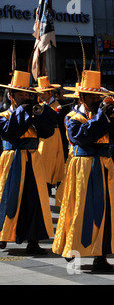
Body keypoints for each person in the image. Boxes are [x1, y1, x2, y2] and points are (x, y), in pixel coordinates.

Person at [52, 70, 114, 272]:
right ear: (82, 97)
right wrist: (102, 117)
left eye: (99, 96)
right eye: (93, 96)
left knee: (105, 211)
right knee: (79, 210)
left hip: (104, 166)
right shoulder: (72, 117)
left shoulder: (104, 115)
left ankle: (100, 256)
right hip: (82, 168)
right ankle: (73, 247)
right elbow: (82, 137)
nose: (97, 100)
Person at [0, 70, 58, 254]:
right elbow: (11, 132)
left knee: (35, 200)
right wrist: (23, 110)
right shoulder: (4, 116)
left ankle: (34, 239)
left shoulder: (32, 113)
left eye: (27, 94)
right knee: (7, 198)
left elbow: (48, 132)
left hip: (33, 160)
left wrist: (39, 114)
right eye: (20, 94)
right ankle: (3, 234)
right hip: (12, 161)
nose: (25, 97)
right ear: (11, 96)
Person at [35, 76, 65, 194]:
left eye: (43, 93)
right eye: (40, 93)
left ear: (49, 93)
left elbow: (56, 119)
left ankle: (48, 184)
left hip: (53, 136)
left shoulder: (57, 105)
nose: (41, 96)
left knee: (49, 161)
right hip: (41, 136)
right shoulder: (40, 104)